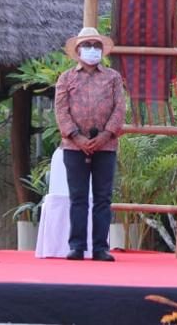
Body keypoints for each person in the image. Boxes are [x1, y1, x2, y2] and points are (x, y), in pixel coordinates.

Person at [55, 27, 125, 261]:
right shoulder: (66, 78)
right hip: (75, 146)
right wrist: (77, 137)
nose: (92, 50)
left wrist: (105, 135)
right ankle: (76, 245)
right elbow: (61, 110)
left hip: (106, 145)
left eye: (97, 46)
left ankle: (100, 247)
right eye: (88, 46)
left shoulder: (113, 77)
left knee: (103, 197)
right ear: (77, 51)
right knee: (78, 197)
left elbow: (119, 108)